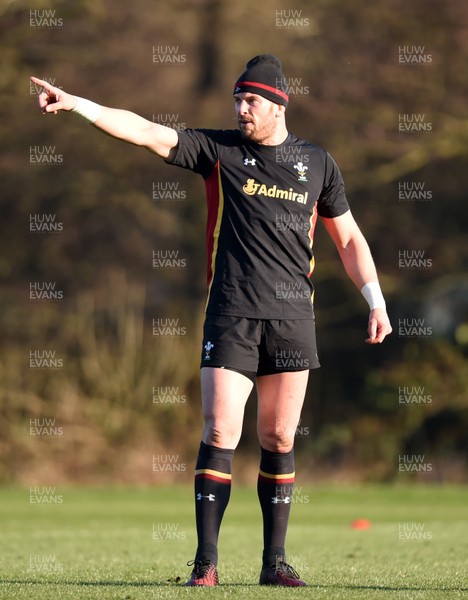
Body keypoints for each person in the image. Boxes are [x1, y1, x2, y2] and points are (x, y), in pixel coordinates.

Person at [31, 54, 392, 587]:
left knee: (278, 436)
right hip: (232, 312)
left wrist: (376, 299)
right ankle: (206, 563)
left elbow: (350, 239)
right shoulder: (219, 151)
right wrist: (80, 103)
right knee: (221, 427)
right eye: (237, 100)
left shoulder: (318, 163)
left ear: (277, 105)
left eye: (251, 101)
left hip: (293, 317)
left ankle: (275, 564)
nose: (242, 110)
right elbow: (147, 132)